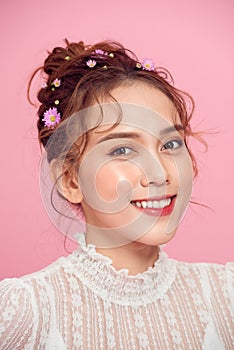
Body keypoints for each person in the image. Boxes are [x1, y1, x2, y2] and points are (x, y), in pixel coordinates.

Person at [0, 39, 233, 350]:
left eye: (171, 144)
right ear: (70, 179)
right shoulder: (26, 311)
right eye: (123, 149)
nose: (160, 173)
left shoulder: (225, 297)